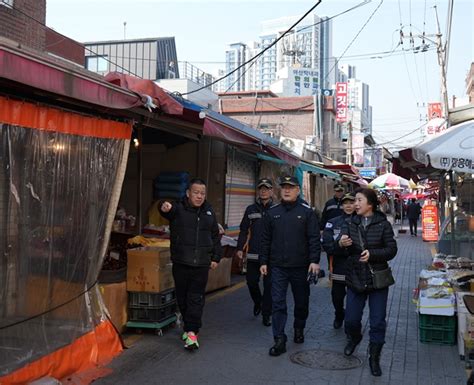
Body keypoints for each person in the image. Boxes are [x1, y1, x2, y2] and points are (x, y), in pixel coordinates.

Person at [338, 188, 397, 377]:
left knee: (377, 321)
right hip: (355, 277)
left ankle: (374, 357)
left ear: (370, 204)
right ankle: (354, 338)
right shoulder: (349, 223)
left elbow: (391, 249)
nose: (355, 204)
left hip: (377, 278)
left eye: (359, 200)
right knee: (351, 319)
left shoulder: (383, 224)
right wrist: (341, 244)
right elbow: (339, 248)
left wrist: (373, 254)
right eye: (355, 200)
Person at [259, 175, 321, 357]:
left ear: (298, 190)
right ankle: (279, 339)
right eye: (284, 187)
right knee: (278, 303)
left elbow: (314, 239)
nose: (286, 190)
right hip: (277, 267)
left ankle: (299, 327)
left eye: (290, 187)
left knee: (301, 302)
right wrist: (263, 261)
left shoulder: (307, 212)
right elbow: (265, 240)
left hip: (301, 267)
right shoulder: (272, 212)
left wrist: (314, 261)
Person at [159, 178, 221, 351]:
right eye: (196, 192)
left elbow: (215, 236)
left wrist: (216, 257)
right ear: (188, 193)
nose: (199, 196)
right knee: (182, 298)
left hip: (201, 264)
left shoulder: (209, 212)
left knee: (196, 298)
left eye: (202, 193)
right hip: (181, 261)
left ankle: (192, 331)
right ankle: (189, 326)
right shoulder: (179, 209)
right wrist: (164, 207)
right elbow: (167, 210)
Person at [236, 178, 274, 327]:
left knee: (269, 286)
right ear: (258, 191)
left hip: (270, 256)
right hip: (253, 254)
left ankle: (266, 314)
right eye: (261, 188)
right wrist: (240, 248)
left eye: (267, 188)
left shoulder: (276, 209)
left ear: (271, 191)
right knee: (251, 282)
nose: (263, 191)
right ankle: (258, 301)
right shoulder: (250, 209)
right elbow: (244, 230)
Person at [322, 193, 356, 330]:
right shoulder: (333, 222)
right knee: (337, 297)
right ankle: (339, 314)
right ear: (341, 205)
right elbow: (326, 245)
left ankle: (351, 320)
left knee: (354, 299)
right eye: (345, 203)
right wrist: (339, 245)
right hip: (338, 266)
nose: (348, 205)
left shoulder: (361, 221)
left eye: (351, 202)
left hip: (356, 266)